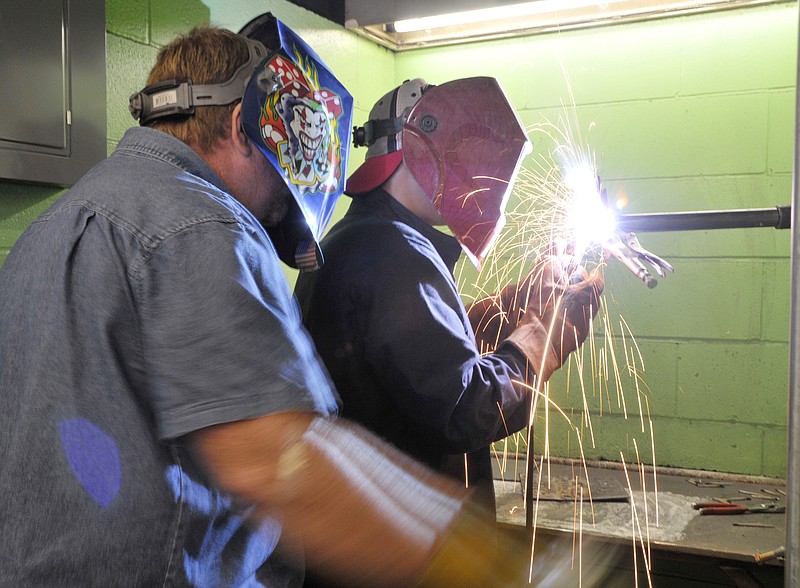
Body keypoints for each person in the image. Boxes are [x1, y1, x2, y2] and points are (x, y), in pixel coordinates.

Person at [0, 16, 529, 588]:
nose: (288, 191)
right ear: (243, 124)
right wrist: (477, 560)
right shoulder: (201, 227)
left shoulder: (52, 228)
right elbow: (278, 461)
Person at [294, 78, 604, 511]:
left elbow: (421, 356)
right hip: (402, 547)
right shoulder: (394, 254)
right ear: (415, 148)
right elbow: (464, 408)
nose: (471, 170)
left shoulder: (366, 239)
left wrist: (515, 304)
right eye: (458, 153)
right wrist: (540, 335)